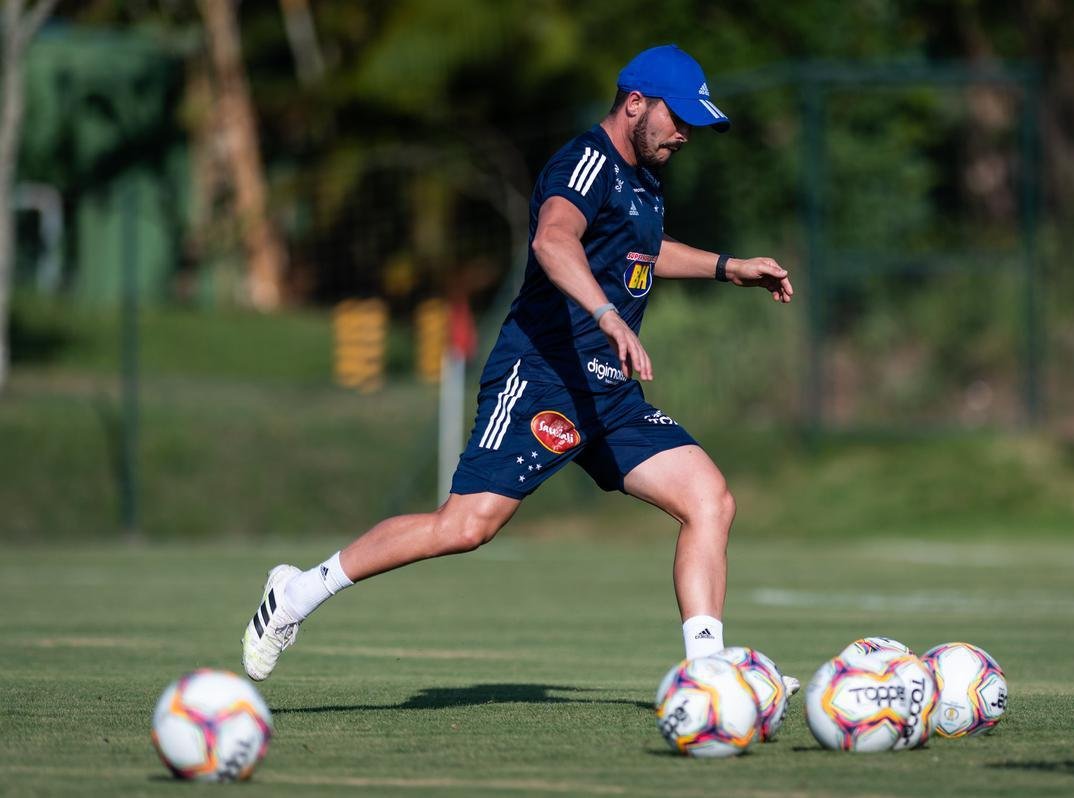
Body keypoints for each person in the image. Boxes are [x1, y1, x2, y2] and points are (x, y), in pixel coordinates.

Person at [242, 44, 795, 689]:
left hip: (609, 392)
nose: (685, 135)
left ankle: (706, 675)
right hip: (542, 378)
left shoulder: (643, 181)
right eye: (679, 119)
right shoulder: (586, 162)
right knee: (464, 526)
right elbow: (552, 240)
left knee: (709, 498)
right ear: (636, 103)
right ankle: (299, 593)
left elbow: (646, 253)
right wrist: (607, 315)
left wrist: (730, 267)